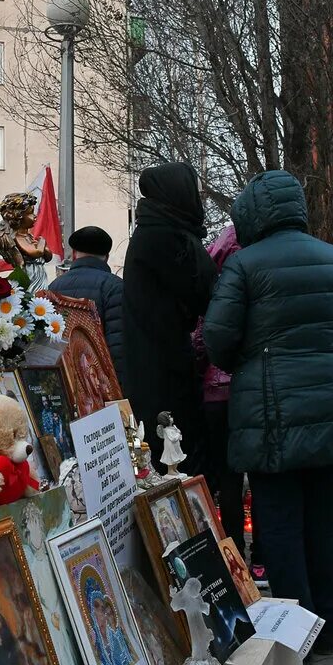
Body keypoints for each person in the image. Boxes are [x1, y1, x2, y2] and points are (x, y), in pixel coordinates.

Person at [203, 170, 333, 656]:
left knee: (279, 525)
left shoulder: (244, 265)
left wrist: (249, 364)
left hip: (271, 416)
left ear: (252, 213)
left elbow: (217, 337)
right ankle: (331, 624)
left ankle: (298, 630)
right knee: (327, 521)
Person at [124, 162, 217, 468]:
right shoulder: (163, 238)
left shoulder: (161, 231)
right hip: (161, 369)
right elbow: (202, 291)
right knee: (175, 458)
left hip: (161, 361)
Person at [192, 224, 257, 570]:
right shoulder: (260, 284)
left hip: (216, 393)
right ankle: (263, 556)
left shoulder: (216, 292)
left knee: (228, 477)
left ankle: (235, 554)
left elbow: (202, 342)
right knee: (261, 475)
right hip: (251, 391)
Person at [48, 225, 127, 387]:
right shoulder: (115, 286)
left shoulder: (54, 286)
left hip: (65, 379)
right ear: (106, 256)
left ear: (75, 254)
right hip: (100, 382)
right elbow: (118, 343)